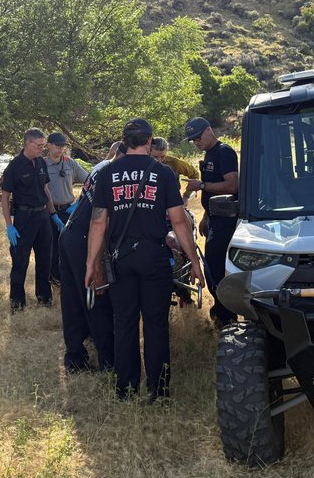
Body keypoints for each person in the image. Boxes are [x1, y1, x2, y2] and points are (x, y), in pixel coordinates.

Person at [86, 118, 204, 400]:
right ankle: (159, 390)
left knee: (124, 323)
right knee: (155, 324)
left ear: (125, 141)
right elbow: (178, 221)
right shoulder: (162, 173)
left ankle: (126, 388)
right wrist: (194, 261)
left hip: (121, 257)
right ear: (150, 141)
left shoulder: (107, 173)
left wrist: (91, 264)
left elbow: (98, 223)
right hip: (154, 257)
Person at [57, 142, 125, 373]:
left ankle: (75, 358)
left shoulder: (102, 166)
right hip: (84, 239)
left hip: (69, 234)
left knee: (73, 300)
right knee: (96, 299)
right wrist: (96, 264)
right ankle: (108, 363)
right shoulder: (114, 176)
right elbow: (100, 224)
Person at [0, 128, 64, 312]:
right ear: (28, 143)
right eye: (39, 146)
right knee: (20, 262)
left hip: (43, 216)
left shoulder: (41, 163)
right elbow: (4, 197)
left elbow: (46, 190)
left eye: (43, 146)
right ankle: (17, 303)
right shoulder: (14, 166)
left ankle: (44, 299)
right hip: (24, 217)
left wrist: (53, 215)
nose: (41, 149)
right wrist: (9, 225)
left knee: (45, 259)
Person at [184, 117, 239, 328]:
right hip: (215, 217)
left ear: (209, 130)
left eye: (198, 137)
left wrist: (202, 184)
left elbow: (232, 186)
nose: (196, 142)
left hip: (227, 220)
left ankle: (227, 318)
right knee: (212, 268)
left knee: (216, 267)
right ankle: (221, 311)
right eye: (192, 140)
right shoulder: (209, 154)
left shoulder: (224, 152)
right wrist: (206, 215)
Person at [44, 132, 89, 284]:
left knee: (67, 245)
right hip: (49, 212)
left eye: (63, 146)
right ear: (48, 145)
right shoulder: (41, 163)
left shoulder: (70, 163)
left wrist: (79, 202)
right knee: (50, 247)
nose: (61, 149)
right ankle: (52, 278)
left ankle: (65, 278)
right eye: (57, 145)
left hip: (68, 210)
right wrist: (52, 214)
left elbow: (90, 181)